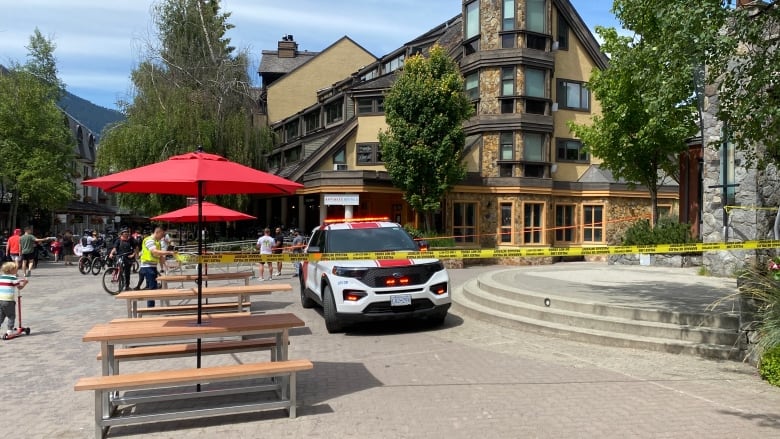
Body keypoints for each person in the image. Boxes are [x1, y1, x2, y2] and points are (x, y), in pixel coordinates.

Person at [139, 227, 176, 308]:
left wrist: (166, 267)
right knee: (152, 288)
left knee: (153, 287)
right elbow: (154, 251)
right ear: (157, 232)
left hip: (152, 267)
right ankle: (150, 308)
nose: (162, 237)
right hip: (147, 266)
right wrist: (169, 252)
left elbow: (160, 256)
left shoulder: (157, 242)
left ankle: (151, 307)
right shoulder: (149, 240)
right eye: (162, 235)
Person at [0, 261, 28, 338]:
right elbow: (19, 287)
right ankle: (9, 331)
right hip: (8, 300)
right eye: (16, 269)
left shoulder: (1, 277)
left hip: (0, 299)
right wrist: (25, 283)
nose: (17, 270)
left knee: (1, 315)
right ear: (11, 270)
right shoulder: (13, 277)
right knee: (11, 315)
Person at [109, 228, 138, 292]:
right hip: (120, 257)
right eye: (124, 232)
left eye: (127, 232)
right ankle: (119, 284)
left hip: (128, 257)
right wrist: (111, 253)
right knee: (119, 270)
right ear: (122, 233)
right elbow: (114, 248)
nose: (126, 233)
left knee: (127, 273)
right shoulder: (118, 240)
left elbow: (135, 248)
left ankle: (127, 286)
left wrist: (133, 255)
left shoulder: (130, 240)